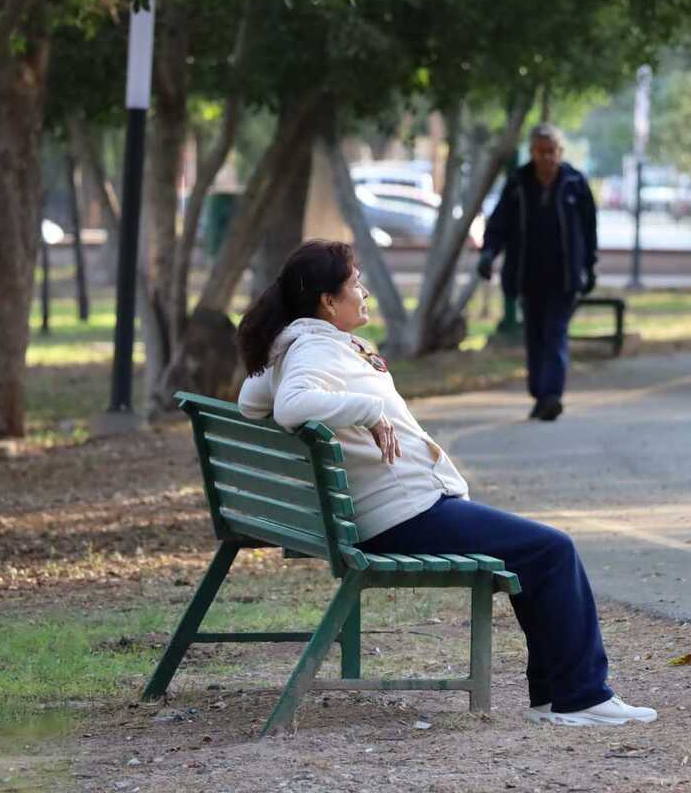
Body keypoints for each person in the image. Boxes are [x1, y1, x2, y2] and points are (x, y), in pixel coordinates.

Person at [237, 239, 656, 727]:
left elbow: (252, 400)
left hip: (393, 509)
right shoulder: (311, 347)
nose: (364, 291)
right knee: (552, 550)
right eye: (355, 284)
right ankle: (579, 696)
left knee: (538, 550)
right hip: (400, 515)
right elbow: (290, 406)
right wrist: (367, 410)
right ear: (329, 301)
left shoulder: (305, 343)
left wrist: (291, 366)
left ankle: (561, 696)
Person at [477, 123, 599, 422]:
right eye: (540, 152)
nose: (546, 158)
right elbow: (499, 223)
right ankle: (540, 393)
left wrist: (590, 267)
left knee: (555, 333)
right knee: (535, 337)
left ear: (560, 152)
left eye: (552, 152)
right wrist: (489, 253)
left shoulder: (575, 183)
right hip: (528, 275)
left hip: (564, 276)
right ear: (531, 152)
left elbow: (589, 229)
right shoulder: (518, 183)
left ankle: (551, 395)